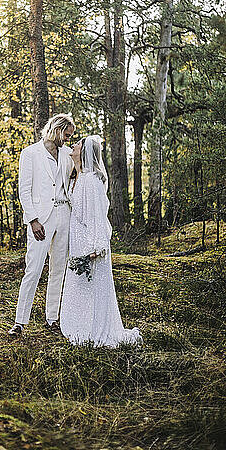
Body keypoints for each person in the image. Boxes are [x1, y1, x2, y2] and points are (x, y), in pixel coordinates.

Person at [60, 135, 142, 347]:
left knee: (92, 285)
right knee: (79, 284)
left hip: (90, 242)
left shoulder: (91, 180)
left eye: (77, 143)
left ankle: (93, 329)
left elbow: (97, 216)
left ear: (85, 151)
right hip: (77, 239)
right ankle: (79, 327)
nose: (73, 145)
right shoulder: (75, 177)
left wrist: (96, 247)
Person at [8, 114, 75, 336]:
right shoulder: (30, 153)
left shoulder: (67, 154)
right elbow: (24, 190)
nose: (68, 140)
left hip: (64, 215)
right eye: (66, 135)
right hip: (41, 219)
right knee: (34, 269)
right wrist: (33, 220)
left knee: (58, 269)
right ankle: (19, 322)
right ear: (57, 130)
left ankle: (52, 319)